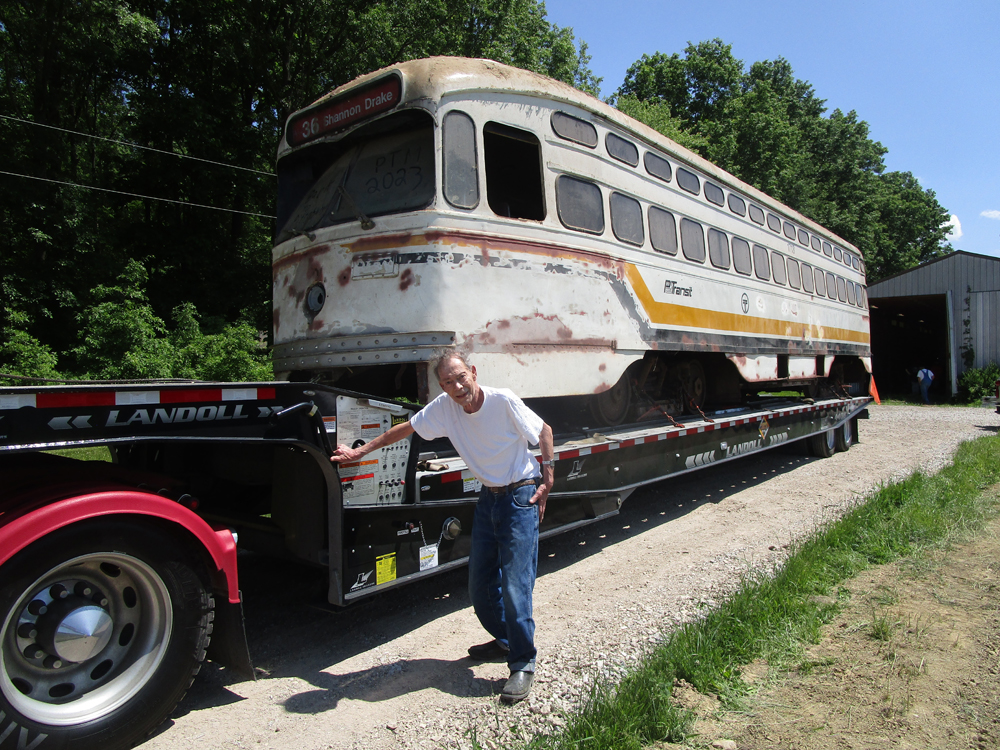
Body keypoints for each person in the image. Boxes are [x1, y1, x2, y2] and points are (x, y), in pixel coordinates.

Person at [330, 352, 555, 703]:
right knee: (479, 587)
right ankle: (506, 639)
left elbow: (544, 431)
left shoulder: (502, 400)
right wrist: (362, 453)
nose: (457, 386)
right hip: (489, 499)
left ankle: (523, 663)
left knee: (515, 585)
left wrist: (548, 479)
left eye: (461, 377)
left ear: (473, 372)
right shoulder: (444, 408)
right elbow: (404, 429)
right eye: (448, 382)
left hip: (520, 496)